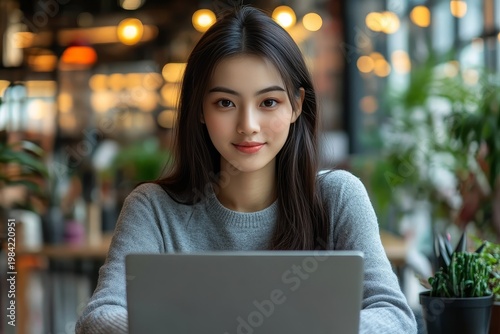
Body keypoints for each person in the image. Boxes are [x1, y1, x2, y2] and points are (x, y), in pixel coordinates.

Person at [76, 5, 417, 334]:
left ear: (297, 105)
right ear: (199, 108)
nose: (248, 125)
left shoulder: (337, 196)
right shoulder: (153, 208)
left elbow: (395, 317)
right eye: (225, 103)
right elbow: (98, 319)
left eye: (269, 102)